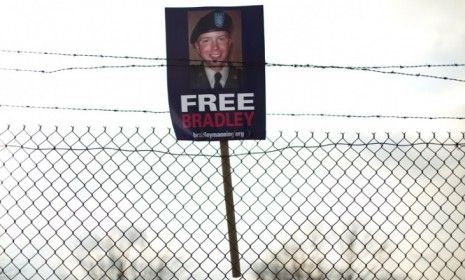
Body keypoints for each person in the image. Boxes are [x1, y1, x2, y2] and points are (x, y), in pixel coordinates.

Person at [190, 9, 242, 90]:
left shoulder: (247, 78)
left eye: (221, 39)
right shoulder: (184, 80)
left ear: (229, 43)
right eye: (206, 40)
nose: (215, 47)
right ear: (197, 47)